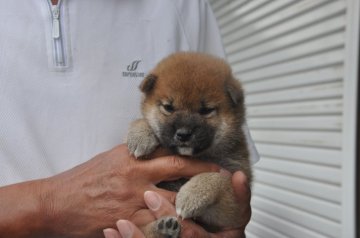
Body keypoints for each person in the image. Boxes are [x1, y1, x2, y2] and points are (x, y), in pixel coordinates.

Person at [0, 0, 258, 237]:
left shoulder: (183, 6)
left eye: (205, 112)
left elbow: (234, 201)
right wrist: (49, 205)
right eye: (169, 108)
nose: (184, 128)